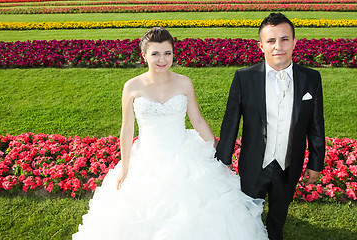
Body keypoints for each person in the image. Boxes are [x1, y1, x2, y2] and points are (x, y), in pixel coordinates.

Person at [72, 27, 268, 239]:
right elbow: (127, 129)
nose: (162, 59)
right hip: (147, 156)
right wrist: (125, 167)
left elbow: (198, 120)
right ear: (144, 55)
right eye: (155, 53)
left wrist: (216, 149)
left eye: (167, 53)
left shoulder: (184, 82)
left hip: (183, 153)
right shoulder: (132, 87)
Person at [216, 13, 325, 240]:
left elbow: (316, 124)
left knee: (279, 211)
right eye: (271, 41)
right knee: (247, 211)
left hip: (289, 163)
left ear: (295, 42)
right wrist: (224, 158)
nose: (279, 46)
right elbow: (231, 121)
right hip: (255, 162)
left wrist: (316, 162)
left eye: (285, 39)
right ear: (261, 46)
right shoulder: (244, 78)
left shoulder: (311, 79)